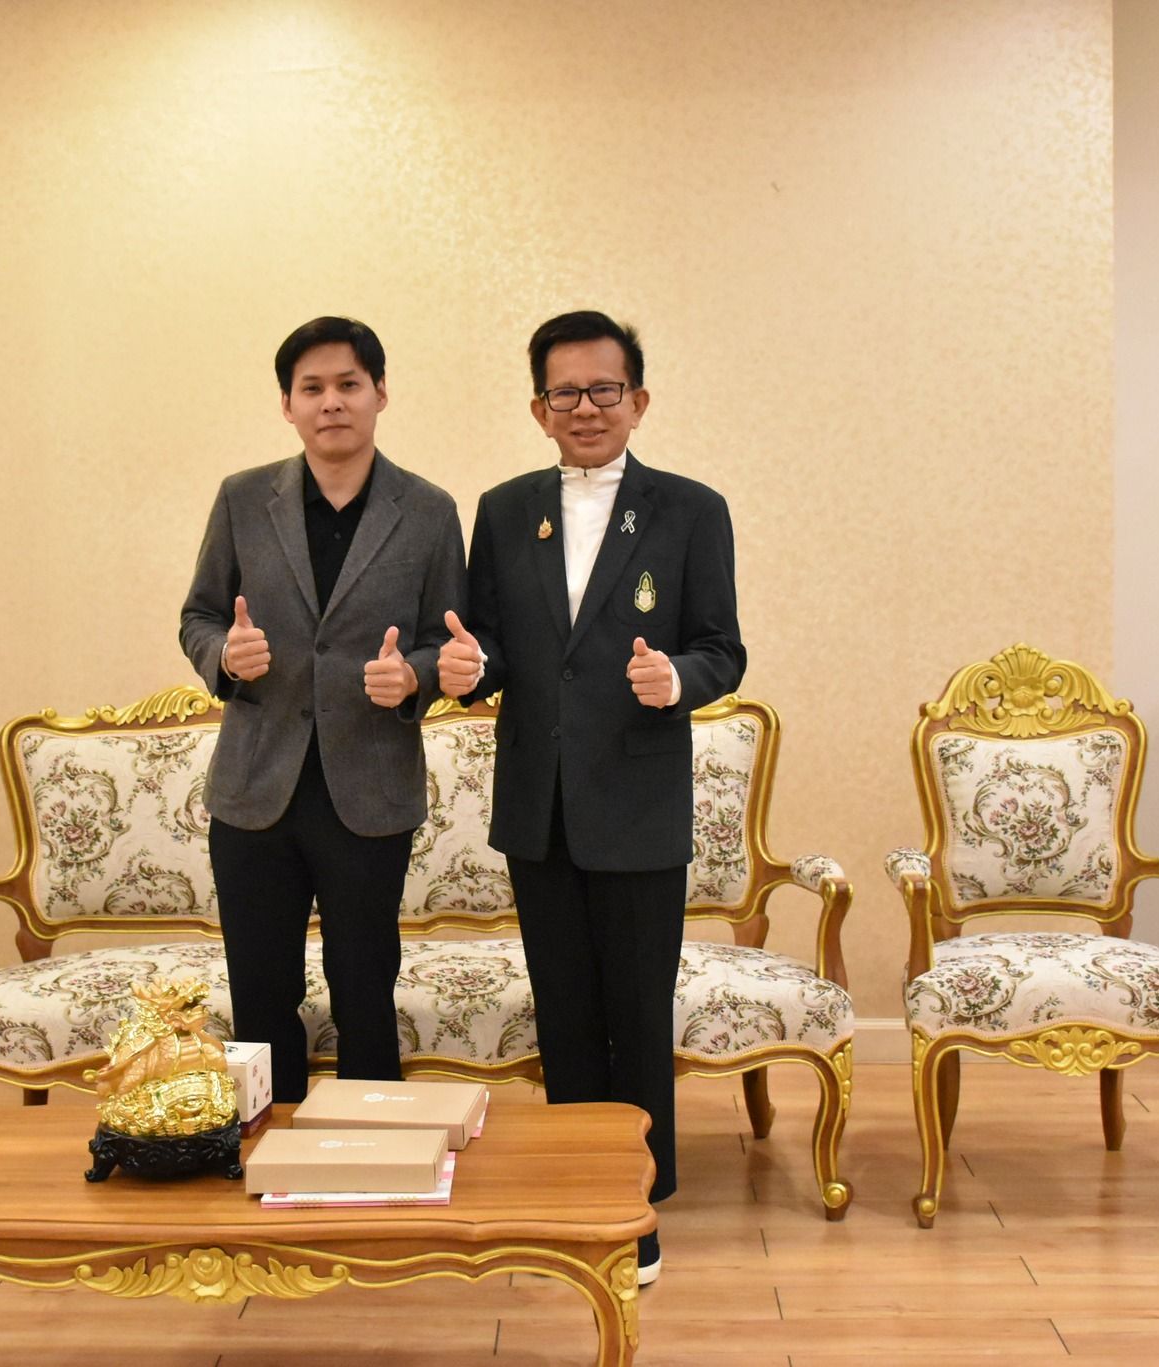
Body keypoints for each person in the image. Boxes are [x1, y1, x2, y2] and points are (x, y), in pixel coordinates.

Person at [438, 310, 745, 1284]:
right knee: (564, 1011)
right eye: (563, 392)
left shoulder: (690, 509)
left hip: (638, 804)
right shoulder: (502, 510)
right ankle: (573, 1197)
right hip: (539, 804)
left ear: (637, 399)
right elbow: (488, 646)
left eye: (603, 389)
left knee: (636, 1014)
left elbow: (721, 647)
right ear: (538, 408)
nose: (584, 407)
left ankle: (634, 1212)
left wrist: (678, 679)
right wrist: (467, 669)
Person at [181, 316, 464, 1103]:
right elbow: (200, 616)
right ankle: (266, 1148)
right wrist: (224, 656)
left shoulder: (429, 510)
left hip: (369, 787)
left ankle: (375, 1152)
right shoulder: (243, 499)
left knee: (365, 984)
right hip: (255, 788)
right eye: (312, 388)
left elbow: (452, 638)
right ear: (288, 404)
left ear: (380, 393)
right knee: (261, 988)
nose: (331, 401)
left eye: (348, 384)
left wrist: (414, 676)